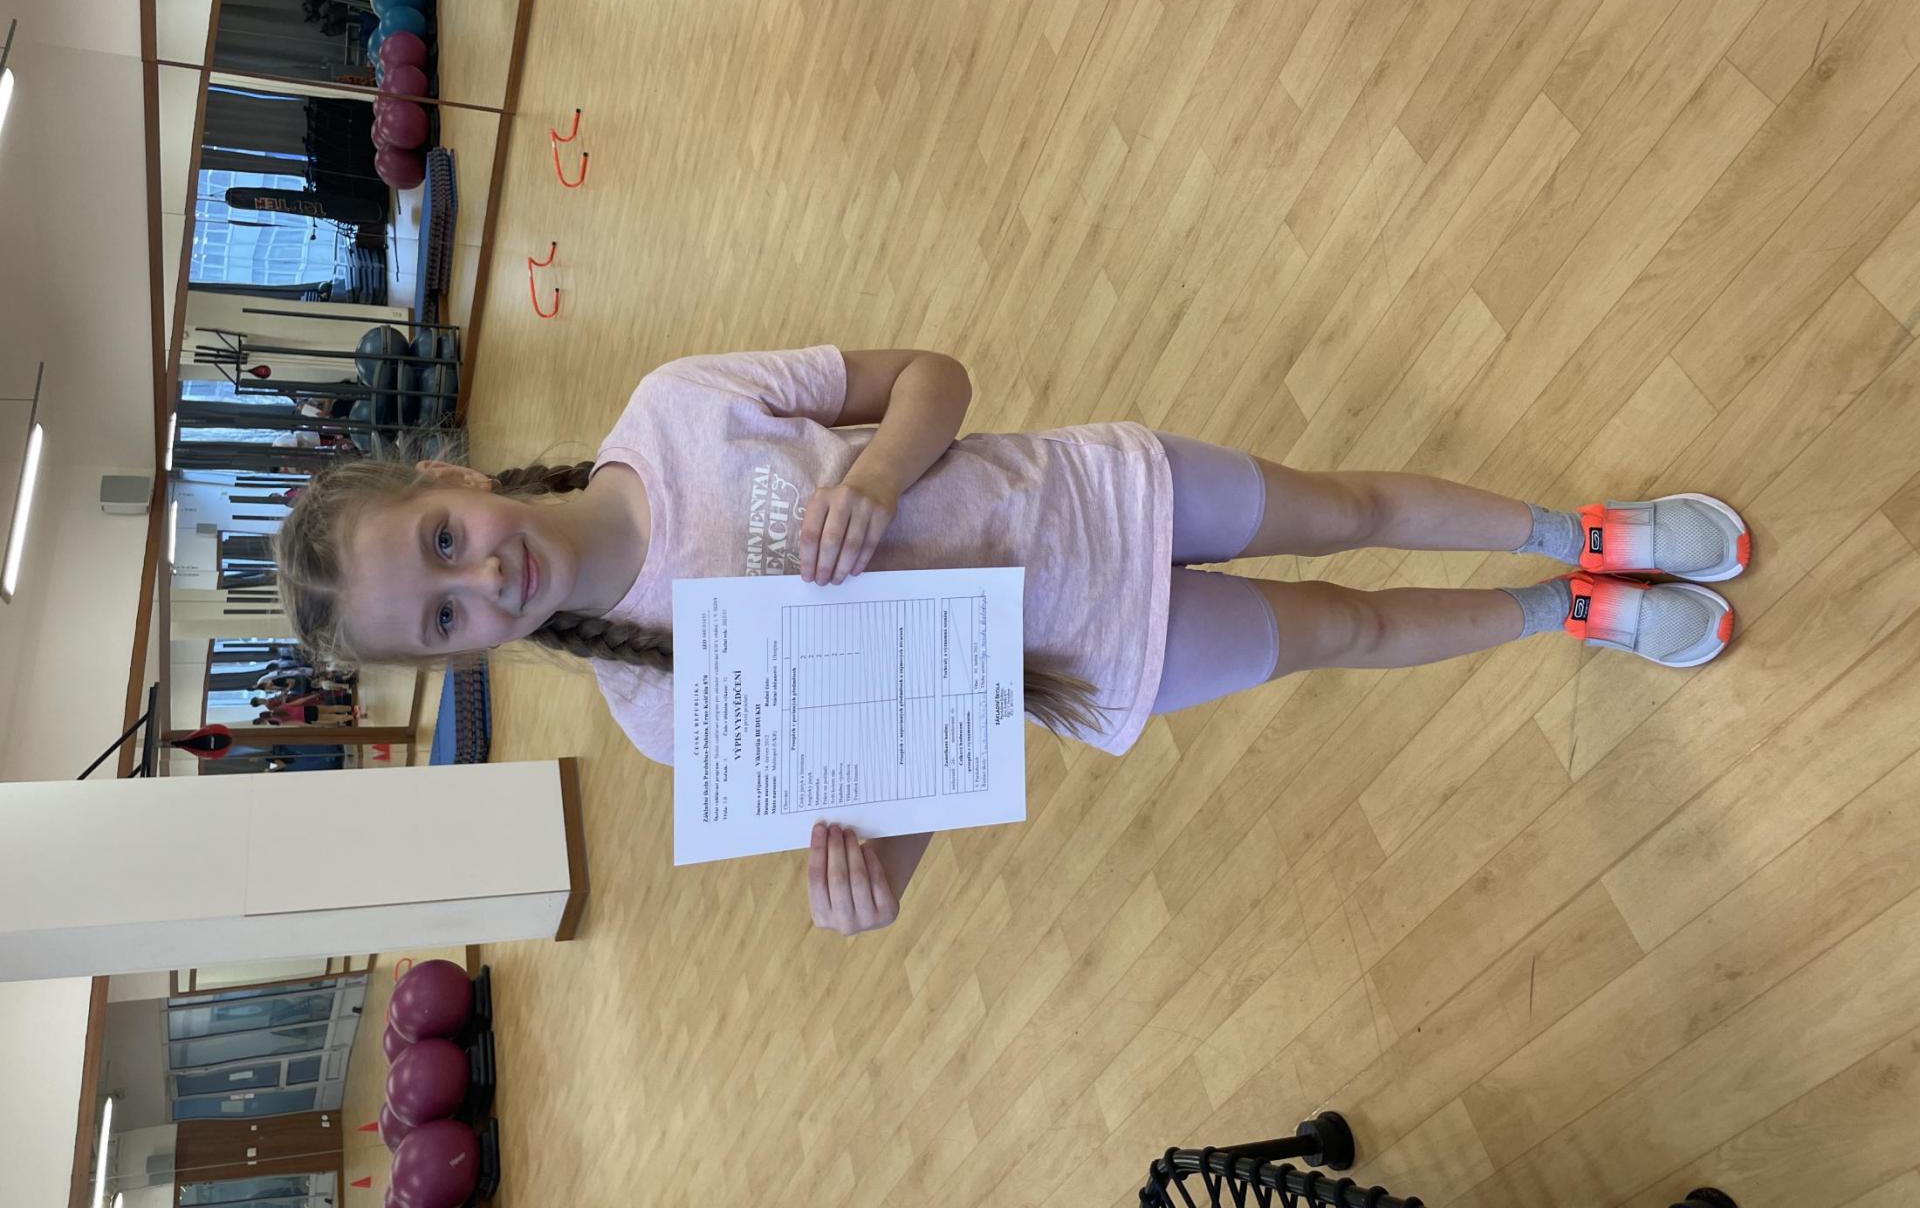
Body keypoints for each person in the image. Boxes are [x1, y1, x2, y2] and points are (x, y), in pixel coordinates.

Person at [274, 347, 1748, 936]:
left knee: (1347, 505)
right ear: (463, 659)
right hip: (1101, 653)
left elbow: (935, 374)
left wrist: (872, 475)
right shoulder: (668, 720)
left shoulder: (676, 409)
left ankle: (1576, 530)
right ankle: (1564, 610)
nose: (484, 579)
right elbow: (921, 769)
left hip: (1099, 492)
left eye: (444, 542)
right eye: (447, 618)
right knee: (1348, 627)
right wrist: (874, 875)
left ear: (452, 478)